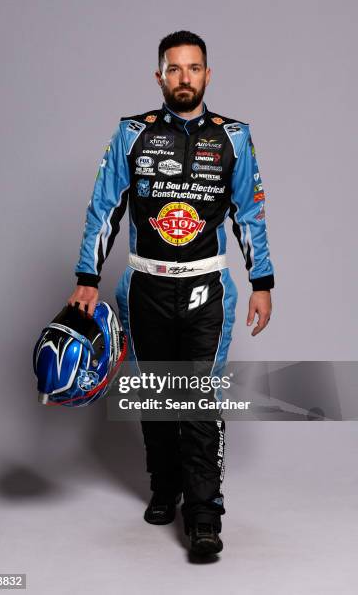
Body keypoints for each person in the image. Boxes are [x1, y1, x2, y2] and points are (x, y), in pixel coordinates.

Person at [67, 30, 274, 556]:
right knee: (157, 394)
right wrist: (87, 279)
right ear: (159, 75)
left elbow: (250, 213)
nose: (185, 78)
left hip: (208, 289)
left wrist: (262, 283)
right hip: (144, 287)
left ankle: (205, 514)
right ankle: (164, 486)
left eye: (195, 68)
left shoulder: (235, 138)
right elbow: (104, 209)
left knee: (201, 400)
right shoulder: (131, 133)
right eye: (175, 69)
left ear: (209, 74)